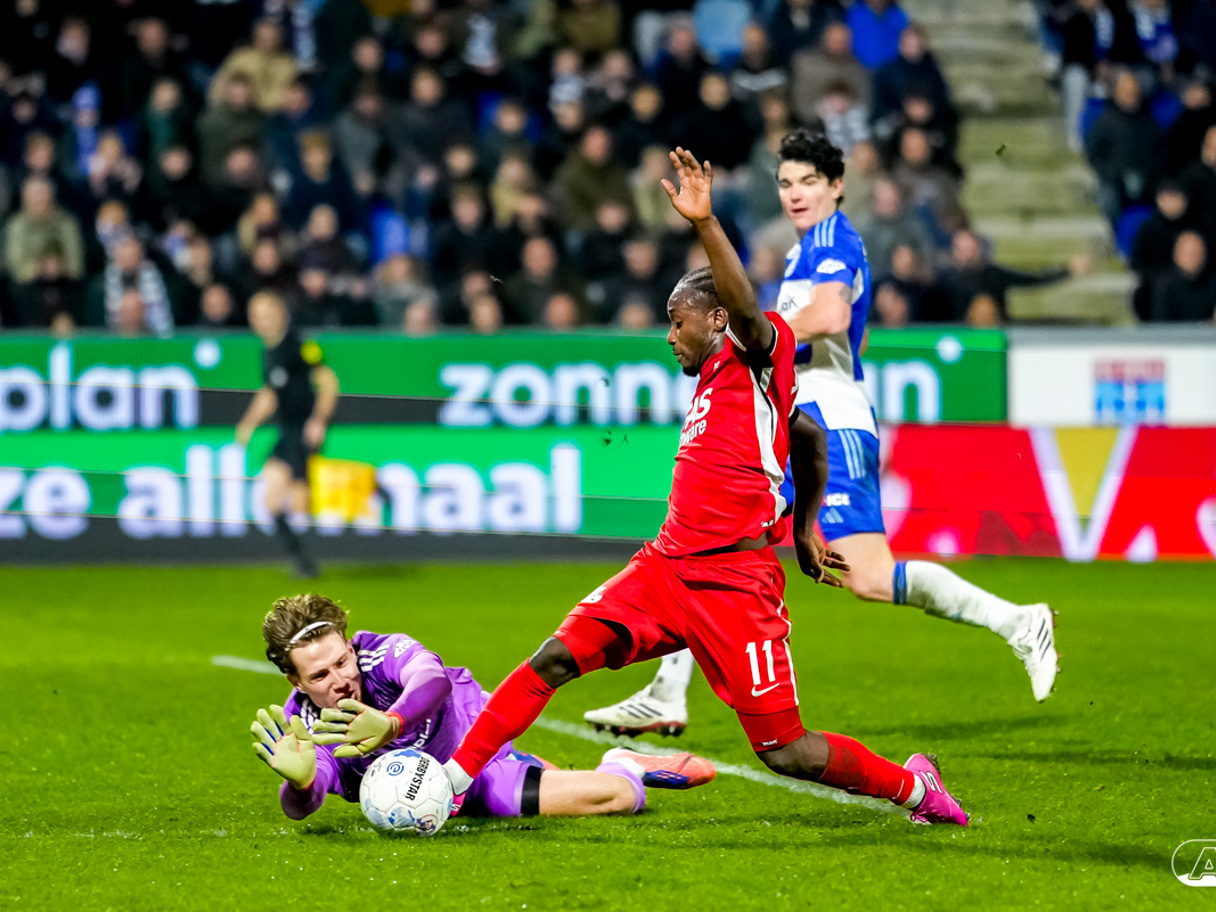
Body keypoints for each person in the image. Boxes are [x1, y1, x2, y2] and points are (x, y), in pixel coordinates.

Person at [440, 147, 969, 828]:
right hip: (664, 568)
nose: (669, 335)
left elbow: (747, 308)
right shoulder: (728, 390)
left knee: (786, 751)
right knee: (554, 659)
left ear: (716, 319)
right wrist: (806, 528)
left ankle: (916, 789)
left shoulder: (759, 351)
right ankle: (452, 781)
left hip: (736, 586)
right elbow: (808, 439)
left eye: (677, 319)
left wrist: (705, 223)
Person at [586, 131, 1057, 739]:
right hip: (797, 414)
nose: (795, 193)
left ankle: (1019, 622)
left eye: (808, 181)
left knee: (868, 575)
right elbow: (847, 328)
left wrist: (760, 333)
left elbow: (832, 315)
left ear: (837, 186)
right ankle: (667, 693)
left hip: (829, 418)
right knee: (715, 543)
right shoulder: (805, 250)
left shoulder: (836, 240)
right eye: (785, 182)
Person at [250, 593, 716, 821]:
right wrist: (301, 783)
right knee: (616, 798)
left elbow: (431, 681)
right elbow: (304, 803)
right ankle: (576, 766)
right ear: (295, 681)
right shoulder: (307, 725)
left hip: (476, 746)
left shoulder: (379, 653)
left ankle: (622, 763)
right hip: (452, 793)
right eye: (319, 676)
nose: (340, 680)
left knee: (620, 796)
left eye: (341, 661)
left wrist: (392, 723)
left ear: (350, 646)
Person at [235, 292, 338, 578]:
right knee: (274, 501)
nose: (261, 321)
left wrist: (319, 420)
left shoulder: (300, 345)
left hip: (302, 430)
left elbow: (328, 381)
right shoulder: (268, 352)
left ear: (281, 314)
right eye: (256, 316)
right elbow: (270, 393)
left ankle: (305, 561)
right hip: (286, 432)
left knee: (297, 500)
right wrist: (248, 424)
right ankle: (303, 562)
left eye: (267, 314)